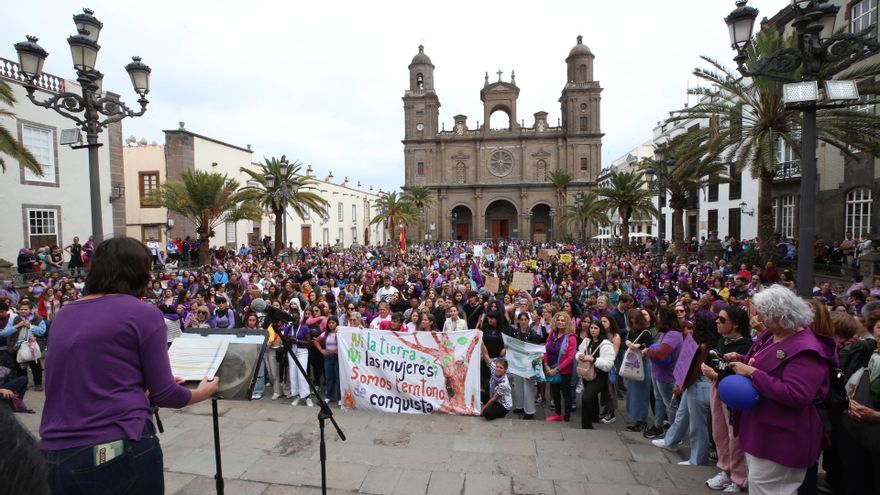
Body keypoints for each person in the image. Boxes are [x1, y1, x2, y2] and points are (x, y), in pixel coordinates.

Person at [38, 237, 220, 494]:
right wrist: (204, 391)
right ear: (139, 272)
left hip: (54, 454)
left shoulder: (65, 313)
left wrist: (139, 389)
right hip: (117, 445)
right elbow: (166, 394)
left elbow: (76, 382)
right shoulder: (143, 313)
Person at [725, 285, 837, 495]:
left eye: (763, 314)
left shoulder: (807, 350)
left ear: (780, 315)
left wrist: (751, 373)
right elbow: (765, 363)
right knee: (760, 485)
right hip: (763, 430)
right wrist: (741, 359)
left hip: (782, 438)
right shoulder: (772, 334)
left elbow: (797, 394)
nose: (759, 319)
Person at [701, 305, 752, 492]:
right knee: (719, 432)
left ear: (736, 324)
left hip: (733, 395)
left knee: (734, 437)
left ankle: (739, 478)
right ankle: (725, 470)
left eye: (722, 320)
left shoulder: (745, 345)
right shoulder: (723, 340)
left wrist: (715, 375)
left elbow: (742, 376)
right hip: (718, 389)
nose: (717, 321)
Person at [576, 320, 615, 429]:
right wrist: (580, 356)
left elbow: (608, 364)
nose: (593, 330)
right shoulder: (587, 340)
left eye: (596, 328)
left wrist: (594, 359)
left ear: (600, 329)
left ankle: (586, 425)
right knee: (592, 398)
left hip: (600, 376)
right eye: (591, 328)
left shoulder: (606, 344)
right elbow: (578, 351)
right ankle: (594, 418)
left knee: (586, 397)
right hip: (587, 373)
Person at [543, 312, 577, 422]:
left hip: (564, 371)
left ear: (567, 323)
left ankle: (566, 417)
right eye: (559, 320)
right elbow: (545, 349)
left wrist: (557, 369)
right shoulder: (552, 333)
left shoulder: (571, 338)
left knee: (566, 394)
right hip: (550, 367)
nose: (560, 322)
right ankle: (558, 414)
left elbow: (571, 358)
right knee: (555, 392)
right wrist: (546, 365)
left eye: (563, 320)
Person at [510, 312, 540, 419]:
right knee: (518, 386)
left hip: (528, 364)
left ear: (528, 321)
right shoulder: (515, 333)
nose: (523, 322)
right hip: (517, 363)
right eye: (521, 320)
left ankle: (530, 411)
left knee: (528, 388)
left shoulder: (533, 334)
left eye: (525, 320)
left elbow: (535, 350)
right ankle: (520, 406)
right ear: (518, 321)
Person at [479, 346, 511, 421]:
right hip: (493, 396)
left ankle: (500, 414)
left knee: (487, 413)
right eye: (497, 367)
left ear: (505, 370)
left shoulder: (504, 383)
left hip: (502, 404)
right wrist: (480, 339)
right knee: (477, 394)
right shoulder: (495, 369)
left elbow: (494, 398)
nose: (498, 369)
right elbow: (486, 355)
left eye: (501, 368)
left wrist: (483, 409)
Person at [315, 316, 340, 405]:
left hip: (338, 358)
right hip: (328, 357)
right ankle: (329, 396)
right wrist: (321, 350)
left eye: (333, 323)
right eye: (329, 323)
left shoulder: (340, 333)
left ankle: (340, 398)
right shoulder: (325, 333)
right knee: (329, 378)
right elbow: (316, 341)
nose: (331, 325)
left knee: (338, 378)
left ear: (337, 323)